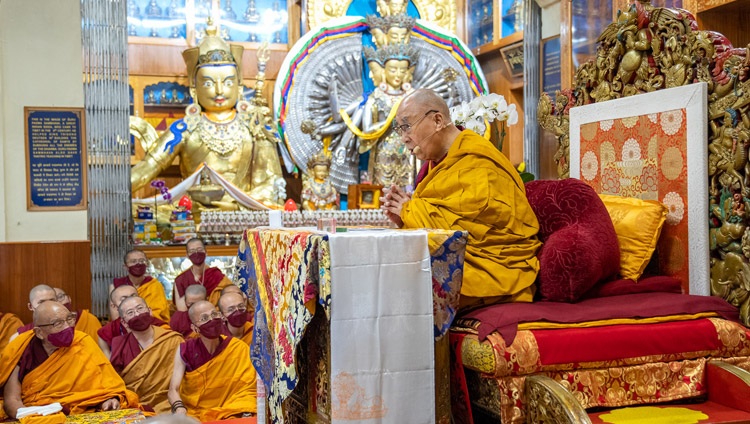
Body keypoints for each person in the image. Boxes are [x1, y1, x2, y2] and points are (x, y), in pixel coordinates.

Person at [382, 89, 541, 308]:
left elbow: (472, 231)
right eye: (400, 129)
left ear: (438, 120)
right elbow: (443, 216)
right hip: (464, 260)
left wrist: (411, 211)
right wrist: (404, 218)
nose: (404, 138)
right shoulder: (435, 165)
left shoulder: (478, 161)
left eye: (407, 126)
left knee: (399, 283)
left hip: (495, 268)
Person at [129, 21, 285, 209]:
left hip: (243, 214)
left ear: (239, 86)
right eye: (209, 84)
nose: (219, 91)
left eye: (228, 82)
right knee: (147, 210)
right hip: (194, 214)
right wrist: (113, 190)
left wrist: (235, 205)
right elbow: (147, 168)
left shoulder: (256, 127)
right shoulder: (184, 130)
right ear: (194, 89)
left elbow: (272, 184)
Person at [0, 302, 139, 420]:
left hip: (83, 415)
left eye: (69, 319)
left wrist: (108, 400)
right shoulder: (21, 348)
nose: (67, 327)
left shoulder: (83, 342)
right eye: (58, 323)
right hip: (37, 416)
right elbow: (12, 401)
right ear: (39, 333)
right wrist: (33, 417)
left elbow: (106, 385)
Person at [167, 301, 257, 421]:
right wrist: (179, 408)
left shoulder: (237, 347)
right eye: (204, 318)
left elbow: (248, 387)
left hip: (232, 409)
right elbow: (173, 389)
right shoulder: (186, 349)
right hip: (196, 412)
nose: (212, 320)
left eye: (214, 314)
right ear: (195, 328)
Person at [110, 296, 183, 413]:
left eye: (140, 308)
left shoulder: (172, 339)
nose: (137, 314)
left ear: (149, 311)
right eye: (130, 312)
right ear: (124, 322)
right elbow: (114, 381)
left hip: (169, 403)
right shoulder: (119, 344)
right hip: (134, 406)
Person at [111, 249, 171, 322]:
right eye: (133, 261)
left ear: (147, 264)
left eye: (142, 261)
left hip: (151, 325)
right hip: (125, 325)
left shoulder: (155, 285)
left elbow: (158, 312)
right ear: (125, 267)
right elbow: (114, 314)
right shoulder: (116, 285)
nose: (138, 264)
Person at [173, 238, 232, 311]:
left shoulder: (217, 276)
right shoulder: (181, 280)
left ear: (206, 252)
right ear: (187, 256)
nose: (196, 253)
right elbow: (182, 310)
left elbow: (229, 300)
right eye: (192, 251)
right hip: (190, 318)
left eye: (200, 250)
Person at [98, 285, 139, 357]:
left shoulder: (155, 325)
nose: (130, 301)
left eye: (133, 296)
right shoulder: (106, 332)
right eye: (124, 299)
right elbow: (108, 364)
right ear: (114, 306)